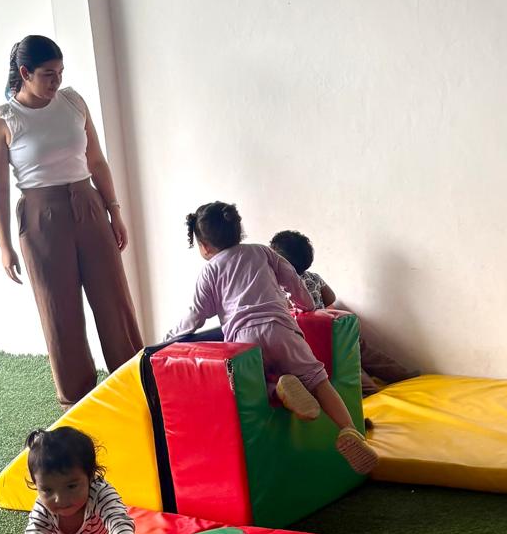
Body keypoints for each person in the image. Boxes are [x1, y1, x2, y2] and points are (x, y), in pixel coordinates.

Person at [0, 35, 144, 407]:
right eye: (47, 74)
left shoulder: (73, 102)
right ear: (25, 73)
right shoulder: (4, 119)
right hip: (41, 216)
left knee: (114, 300)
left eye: (60, 72)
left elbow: (96, 161)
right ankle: (77, 403)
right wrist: (4, 245)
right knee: (60, 312)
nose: (56, 81)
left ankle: (135, 386)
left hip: (88, 204)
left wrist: (115, 212)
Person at [165, 202, 377, 475]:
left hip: (244, 340)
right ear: (238, 231)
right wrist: (306, 305)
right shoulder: (261, 251)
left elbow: (196, 315)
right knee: (317, 379)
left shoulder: (210, 271)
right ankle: (349, 429)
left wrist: (170, 338)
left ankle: (278, 388)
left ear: (204, 246)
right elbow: (292, 280)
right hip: (281, 329)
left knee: (252, 385)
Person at [269, 229, 419, 395]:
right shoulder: (314, 277)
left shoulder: (278, 287)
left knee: (346, 364)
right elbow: (330, 298)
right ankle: (402, 374)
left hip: (314, 339)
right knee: (366, 352)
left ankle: (369, 389)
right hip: (336, 328)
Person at [22, 426, 137, 534]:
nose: (60, 499)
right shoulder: (43, 509)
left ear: (90, 476)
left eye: (71, 486)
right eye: (47, 490)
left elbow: (119, 522)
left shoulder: (100, 494)